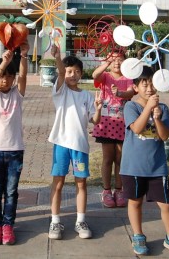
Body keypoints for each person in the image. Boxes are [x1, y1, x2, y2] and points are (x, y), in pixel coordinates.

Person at [122, 66, 169, 258]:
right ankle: (138, 235)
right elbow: (136, 128)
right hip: (133, 165)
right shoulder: (131, 106)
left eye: (153, 83)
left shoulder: (162, 109)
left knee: (167, 205)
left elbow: (164, 136)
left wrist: (158, 118)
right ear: (135, 87)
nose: (149, 87)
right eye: (144, 83)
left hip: (157, 167)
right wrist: (148, 109)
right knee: (135, 202)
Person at [47, 45, 102, 240]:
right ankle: (55, 221)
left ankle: (80, 220)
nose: (73, 75)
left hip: (80, 146)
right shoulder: (60, 91)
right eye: (70, 71)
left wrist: (98, 108)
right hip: (61, 143)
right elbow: (60, 72)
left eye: (77, 71)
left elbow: (94, 121)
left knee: (81, 183)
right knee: (58, 182)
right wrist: (58, 56)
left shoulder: (86, 95)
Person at [0, 43, 28, 245]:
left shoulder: (17, 95)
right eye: (2, 75)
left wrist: (24, 56)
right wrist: (3, 63)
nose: (5, 80)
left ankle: (8, 226)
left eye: (9, 76)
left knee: (11, 191)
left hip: (14, 151)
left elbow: (24, 77)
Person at [91, 51, 134, 208]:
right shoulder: (106, 76)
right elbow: (96, 75)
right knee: (108, 158)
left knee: (120, 159)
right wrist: (106, 64)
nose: (117, 62)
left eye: (120, 60)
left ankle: (119, 190)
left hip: (123, 123)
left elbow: (131, 92)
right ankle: (106, 191)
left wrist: (120, 93)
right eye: (114, 60)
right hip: (106, 123)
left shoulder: (128, 77)